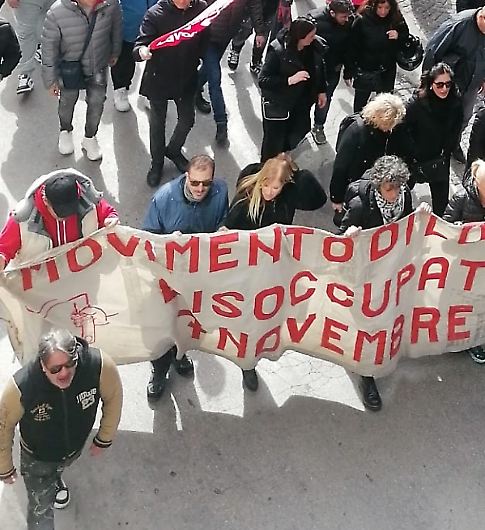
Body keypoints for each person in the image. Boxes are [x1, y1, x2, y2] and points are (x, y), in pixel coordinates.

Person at [0, 330, 122, 528]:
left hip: (73, 449)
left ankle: (55, 480)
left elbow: (114, 397)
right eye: (55, 369)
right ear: (43, 365)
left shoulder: (98, 366)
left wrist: (104, 438)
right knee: (40, 511)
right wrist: (4, 467)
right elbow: (3, 426)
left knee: (58, 469)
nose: (64, 373)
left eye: (70, 364)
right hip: (37, 459)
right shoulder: (23, 386)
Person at [225, 154, 326, 388]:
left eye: (276, 187)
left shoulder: (288, 196)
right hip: (247, 271)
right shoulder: (245, 200)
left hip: (272, 268)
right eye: (266, 186)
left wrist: (296, 173)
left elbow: (317, 199)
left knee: (265, 316)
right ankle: (247, 365)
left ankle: (255, 354)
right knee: (247, 320)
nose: (270, 192)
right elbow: (229, 231)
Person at [141, 154, 227, 399]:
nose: (200, 188)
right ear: (186, 177)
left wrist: (222, 228)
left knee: (185, 323)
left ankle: (179, 356)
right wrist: (168, 242)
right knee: (162, 327)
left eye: (206, 183)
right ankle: (159, 372)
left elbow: (222, 219)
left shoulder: (220, 191)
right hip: (167, 276)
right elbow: (147, 238)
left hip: (197, 275)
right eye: (195, 182)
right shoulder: (163, 199)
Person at [338, 155, 414, 408]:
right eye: (389, 189)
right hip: (365, 273)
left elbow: (408, 223)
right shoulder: (360, 205)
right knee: (367, 323)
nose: (394, 194)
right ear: (378, 185)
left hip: (390, 269)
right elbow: (339, 239)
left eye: (398, 188)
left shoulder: (404, 197)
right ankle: (366, 375)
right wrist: (349, 235)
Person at [41, 0, 123, 162]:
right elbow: (49, 49)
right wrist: (50, 80)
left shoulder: (110, 0)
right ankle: (65, 130)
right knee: (67, 101)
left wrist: (115, 52)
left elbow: (117, 28)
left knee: (97, 102)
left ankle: (90, 137)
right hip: (70, 67)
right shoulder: (56, 13)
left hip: (98, 64)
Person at [135, 0, 208, 186]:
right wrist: (142, 51)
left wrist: (201, 57)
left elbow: (205, 36)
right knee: (157, 124)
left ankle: (173, 150)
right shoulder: (155, 14)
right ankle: (156, 163)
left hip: (186, 76)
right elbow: (141, 42)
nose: (183, 1)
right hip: (159, 77)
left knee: (187, 119)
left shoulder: (201, 9)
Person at [194, 0, 263, 146]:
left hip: (226, 34)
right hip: (208, 37)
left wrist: (260, 31)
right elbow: (196, 7)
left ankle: (193, 90)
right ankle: (221, 124)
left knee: (208, 70)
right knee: (215, 78)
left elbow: (255, 4)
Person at [102, 0, 180, 112]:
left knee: (157, 62)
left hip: (159, 28)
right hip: (128, 29)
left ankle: (147, 93)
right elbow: (104, 7)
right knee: (123, 61)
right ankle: (121, 89)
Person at [0, 169, 118, 266]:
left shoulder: (89, 201)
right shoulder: (21, 220)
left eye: (70, 210)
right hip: (42, 284)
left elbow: (107, 213)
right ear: (45, 200)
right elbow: (3, 249)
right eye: (60, 213)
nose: (65, 217)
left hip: (84, 275)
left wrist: (111, 219)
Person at [329, 93, 412, 215]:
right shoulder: (356, 132)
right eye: (387, 124)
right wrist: (337, 198)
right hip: (359, 185)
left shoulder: (393, 128)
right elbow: (340, 167)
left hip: (381, 185)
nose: (390, 128)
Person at [423, 4, 485, 128]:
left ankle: (456, 137)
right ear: (481, 18)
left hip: (472, 84)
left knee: (465, 116)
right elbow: (433, 52)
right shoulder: (458, 26)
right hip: (450, 82)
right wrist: (427, 81)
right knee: (440, 115)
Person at [258, 18, 326, 160]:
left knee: (297, 132)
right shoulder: (278, 51)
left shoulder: (314, 48)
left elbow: (319, 69)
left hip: (302, 103)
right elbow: (263, 80)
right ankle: (267, 167)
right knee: (273, 142)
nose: (314, 38)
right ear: (300, 37)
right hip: (280, 104)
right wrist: (289, 80)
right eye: (311, 36)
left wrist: (321, 90)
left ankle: (283, 155)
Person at [403, 62, 463, 214]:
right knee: (400, 198)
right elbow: (403, 131)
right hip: (415, 160)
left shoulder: (455, 102)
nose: (444, 89)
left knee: (441, 207)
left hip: (439, 159)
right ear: (431, 84)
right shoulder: (416, 104)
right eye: (440, 85)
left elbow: (456, 128)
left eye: (448, 84)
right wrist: (412, 152)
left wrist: (448, 148)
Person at [343, 0, 407, 111]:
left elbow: (406, 34)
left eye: (387, 8)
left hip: (386, 70)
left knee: (385, 106)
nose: (383, 11)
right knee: (360, 106)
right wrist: (348, 71)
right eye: (380, 7)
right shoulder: (362, 20)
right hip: (366, 69)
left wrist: (399, 35)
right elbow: (352, 47)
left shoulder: (395, 18)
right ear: (374, 5)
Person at [309, 0, 354, 145]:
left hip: (332, 70)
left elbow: (350, 48)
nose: (346, 20)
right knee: (304, 99)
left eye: (348, 16)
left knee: (325, 100)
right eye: (343, 17)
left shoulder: (349, 22)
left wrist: (348, 71)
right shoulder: (315, 20)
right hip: (312, 69)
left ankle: (318, 126)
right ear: (332, 13)